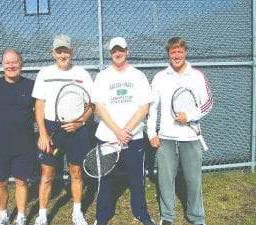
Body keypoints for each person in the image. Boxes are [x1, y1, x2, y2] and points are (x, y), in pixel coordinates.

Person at [147, 37, 213, 225]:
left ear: (185, 52)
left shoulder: (197, 76)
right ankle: (167, 217)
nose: (176, 55)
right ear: (168, 54)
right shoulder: (160, 77)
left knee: (194, 181)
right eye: (173, 52)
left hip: (190, 137)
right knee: (165, 181)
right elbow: (152, 107)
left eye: (180, 51)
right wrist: (152, 132)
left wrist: (190, 116)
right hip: (165, 139)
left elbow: (208, 103)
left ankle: (197, 217)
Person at [91, 37, 155, 225]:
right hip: (108, 137)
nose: (117, 53)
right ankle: (102, 216)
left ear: (127, 51)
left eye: (121, 50)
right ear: (110, 53)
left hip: (133, 137)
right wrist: (117, 131)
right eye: (114, 50)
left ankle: (141, 213)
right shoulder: (103, 76)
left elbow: (144, 107)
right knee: (106, 178)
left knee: (136, 177)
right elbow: (99, 107)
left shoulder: (138, 76)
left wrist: (126, 131)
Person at [32, 34, 94, 225]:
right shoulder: (44, 73)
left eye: (65, 50)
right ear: (53, 53)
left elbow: (91, 105)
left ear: (71, 52)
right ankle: (42, 215)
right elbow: (39, 105)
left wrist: (80, 122)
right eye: (59, 51)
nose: (62, 54)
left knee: (76, 172)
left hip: (77, 130)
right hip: (52, 129)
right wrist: (43, 133)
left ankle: (77, 212)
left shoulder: (82, 74)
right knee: (47, 174)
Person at [0, 48, 37, 225]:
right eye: (7, 62)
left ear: (21, 64)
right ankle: (3, 215)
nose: (11, 65)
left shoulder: (32, 86)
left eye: (15, 62)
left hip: (24, 144)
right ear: (2, 65)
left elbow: (39, 111)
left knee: (21, 181)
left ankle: (21, 216)